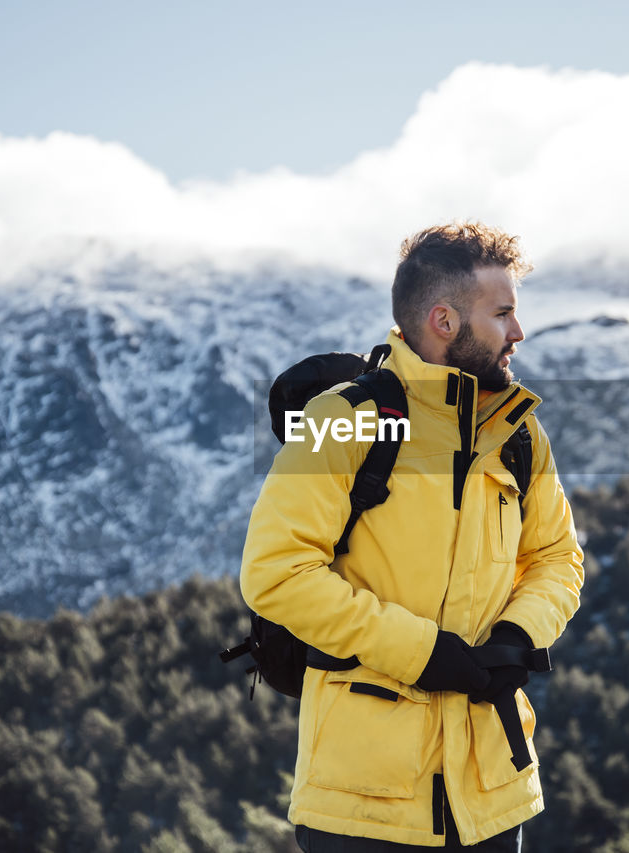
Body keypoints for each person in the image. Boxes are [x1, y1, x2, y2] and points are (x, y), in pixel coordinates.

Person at [240, 221, 584, 850]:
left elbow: (558, 559)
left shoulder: (519, 434)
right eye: (502, 313)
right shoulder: (342, 421)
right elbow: (277, 573)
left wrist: (518, 635)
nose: (518, 332)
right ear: (445, 321)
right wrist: (421, 653)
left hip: (491, 795)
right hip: (364, 803)